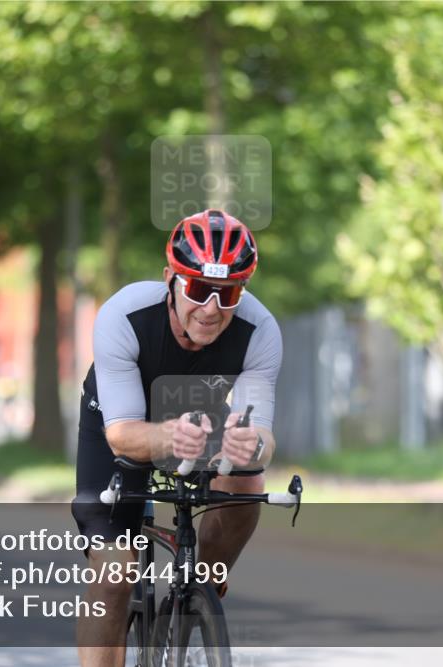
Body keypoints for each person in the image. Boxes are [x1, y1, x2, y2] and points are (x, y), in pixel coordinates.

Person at [72, 209, 283, 666]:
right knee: (114, 575)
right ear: (170, 278)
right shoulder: (124, 316)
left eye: (227, 294)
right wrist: (167, 436)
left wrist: (252, 445)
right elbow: (123, 435)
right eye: (199, 289)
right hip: (121, 424)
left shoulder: (259, 330)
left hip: (200, 418)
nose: (211, 309)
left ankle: (202, 585)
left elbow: (263, 434)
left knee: (249, 479)